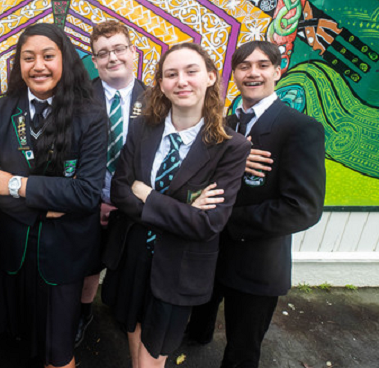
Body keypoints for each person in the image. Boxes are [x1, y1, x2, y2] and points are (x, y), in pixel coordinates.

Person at [101, 42, 251, 368]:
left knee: (158, 347)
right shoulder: (142, 129)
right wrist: (182, 210)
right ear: (161, 84)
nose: (181, 81)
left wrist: (150, 197)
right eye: (171, 74)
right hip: (134, 255)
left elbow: (207, 224)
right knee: (133, 325)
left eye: (191, 71)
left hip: (179, 265)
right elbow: (120, 190)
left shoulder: (230, 146)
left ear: (211, 77)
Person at [185, 41, 326, 368]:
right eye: (244, 66)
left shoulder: (300, 129)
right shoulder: (227, 125)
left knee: (242, 349)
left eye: (262, 65)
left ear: (278, 71)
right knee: (197, 328)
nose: (252, 73)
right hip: (212, 255)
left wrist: (225, 220)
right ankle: (196, 337)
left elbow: (302, 207)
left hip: (256, 263)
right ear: (233, 74)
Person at [0, 23, 107, 368]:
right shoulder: (2, 109)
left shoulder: (90, 114)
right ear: (18, 65)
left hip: (64, 251)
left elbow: (86, 192)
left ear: (64, 59)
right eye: (28, 57)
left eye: (48, 56)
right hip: (12, 248)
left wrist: (18, 186)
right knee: (12, 341)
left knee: (58, 349)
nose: (38, 66)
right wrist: (42, 207)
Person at [76, 20, 147, 346]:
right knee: (88, 263)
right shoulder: (79, 98)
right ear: (95, 60)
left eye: (119, 49)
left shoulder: (156, 100)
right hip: (88, 200)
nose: (112, 58)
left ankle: (123, 313)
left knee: (128, 266)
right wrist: (96, 200)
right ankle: (83, 312)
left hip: (134, 204)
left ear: (133, 51)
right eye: (102, 53)